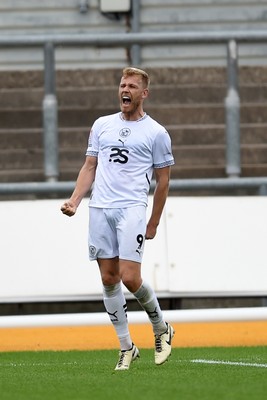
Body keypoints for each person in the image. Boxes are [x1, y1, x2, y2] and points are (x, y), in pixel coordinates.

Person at [61, 67, 175, 371]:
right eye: (123, 84)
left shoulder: (156, 133)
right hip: (100, 208)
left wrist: (154, 221)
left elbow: (163, 181)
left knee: (130, 277)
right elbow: (89, 167)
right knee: (108, 278)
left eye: (132, 86)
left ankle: (161, 327)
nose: (125, 89)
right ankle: (126, 347)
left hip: (132, 209)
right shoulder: (102, 125)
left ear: (144, 93)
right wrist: (74, 200)